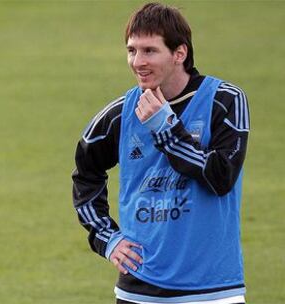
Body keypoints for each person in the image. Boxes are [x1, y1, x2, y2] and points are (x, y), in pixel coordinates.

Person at [72, 2, 250, 304]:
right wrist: (107, 238)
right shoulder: (119, 114)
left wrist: (164, 127)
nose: (137, 61)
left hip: (211, 292)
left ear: (179, 53)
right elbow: (85, 174)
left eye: (149, 51)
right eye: (132, 50)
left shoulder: (224, 101)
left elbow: (221, 177)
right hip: (138, 292)